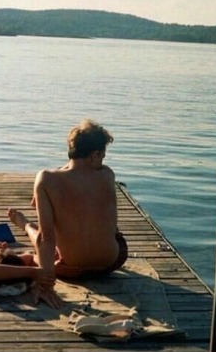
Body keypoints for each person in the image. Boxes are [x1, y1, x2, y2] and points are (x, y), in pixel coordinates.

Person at [8, 119, 127, 309]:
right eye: (102, 156)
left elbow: (46, 238)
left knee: (42, 238)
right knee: (110, 229)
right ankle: (28, 226)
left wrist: (46, 286)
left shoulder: (46, 179)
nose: (102, 162)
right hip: (111, 262)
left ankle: (26, 225)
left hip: (70, 268)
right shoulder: (107, 174)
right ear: (95, 155)